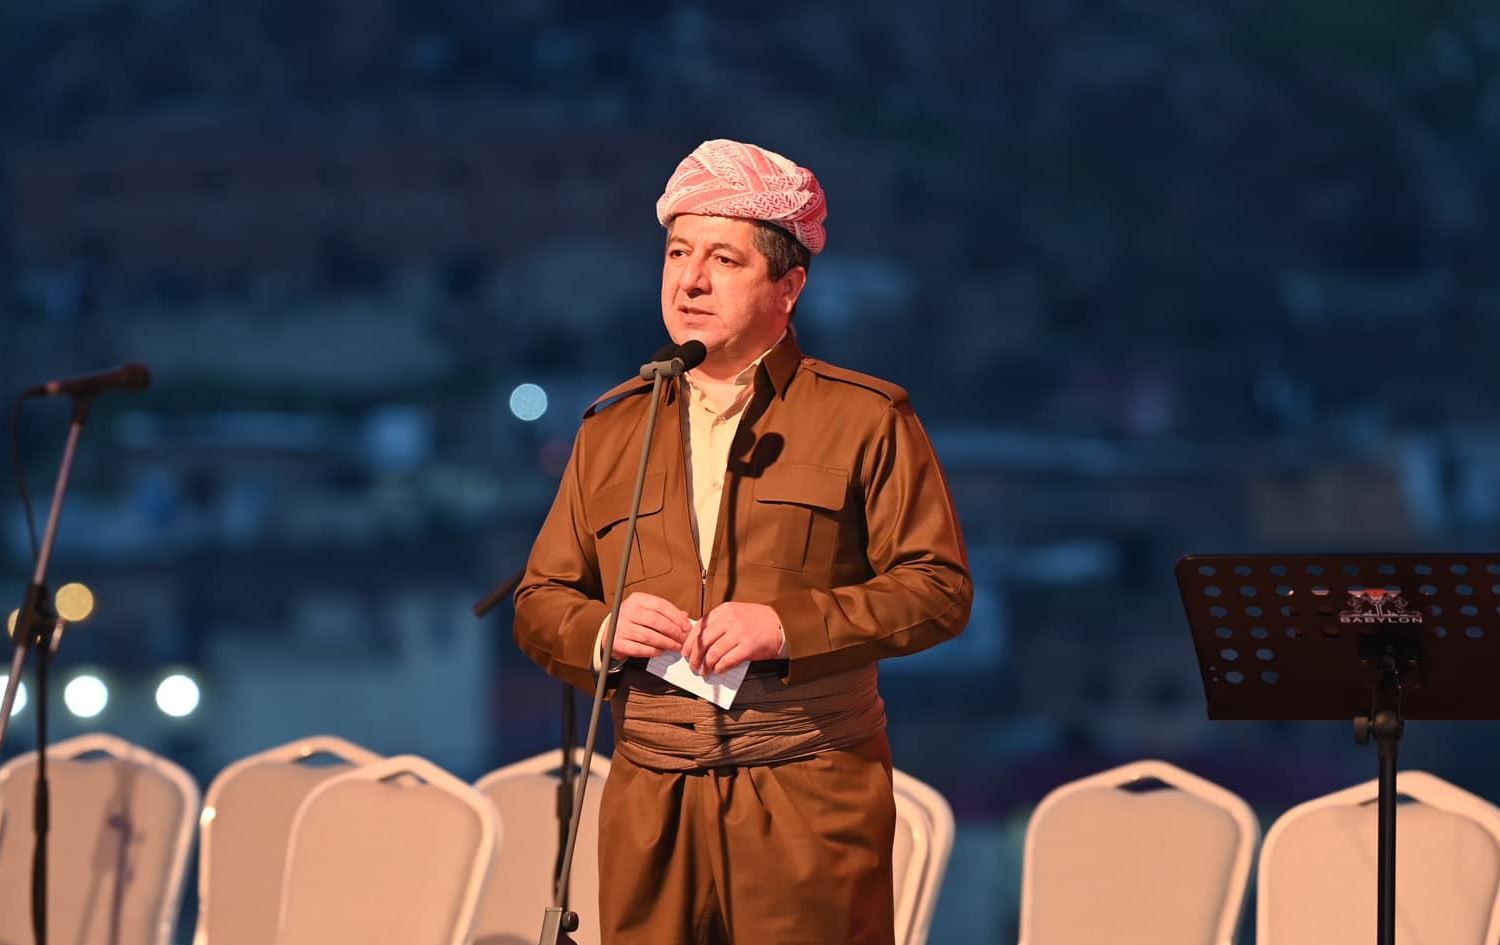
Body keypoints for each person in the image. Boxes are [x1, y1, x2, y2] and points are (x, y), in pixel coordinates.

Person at [513, 138, 972, 945]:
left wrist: (787, 626)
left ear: (788, 287)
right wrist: (602, 628)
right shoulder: (612, 427)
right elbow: (539, 601)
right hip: (650, 795)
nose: (689, 280)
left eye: (723, 259)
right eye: (677, 253)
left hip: (806, 791)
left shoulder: (865, 417)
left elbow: (937, 588)